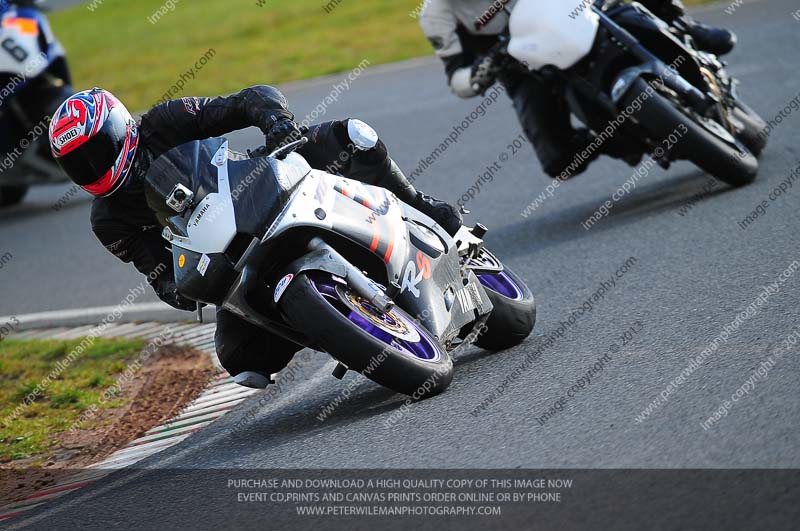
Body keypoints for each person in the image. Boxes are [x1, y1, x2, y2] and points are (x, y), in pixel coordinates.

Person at [47, 85, 462, 388]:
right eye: (79, 164)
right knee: (238, 357)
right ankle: (340, 330)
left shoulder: (165, 121)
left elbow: (248, 100)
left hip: (260, 186)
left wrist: (277, 125)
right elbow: (155, 269)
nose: (92, 166)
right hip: (225, 254)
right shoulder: (109, 220)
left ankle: (421, 205)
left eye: (97, 150)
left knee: (352, 136)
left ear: (120, 127)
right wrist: (179, 289)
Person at [420, 0, 737, 178]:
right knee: (558, 161)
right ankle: (616, 137)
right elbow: (456, 78)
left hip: (578, 12)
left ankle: (690, 27)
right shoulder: (436, 15)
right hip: (526, 65)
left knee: (629, 11)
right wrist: (481, 72)